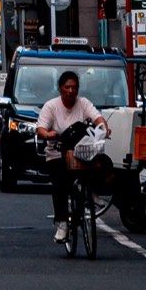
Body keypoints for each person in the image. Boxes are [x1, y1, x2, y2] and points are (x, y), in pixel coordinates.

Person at [36, 67, 110, 248]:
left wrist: (103, 128)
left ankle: (93, 193)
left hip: (82, 152)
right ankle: (62, 223)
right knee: (60, 182)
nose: (71, 91)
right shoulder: (51, 106)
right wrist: (48, 134)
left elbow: (97, 118)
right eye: (67, 87)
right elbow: (41, 128)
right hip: (57, 153)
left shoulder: (83, 103)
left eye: (74, 87)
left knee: (104, 163)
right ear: (60, 88)